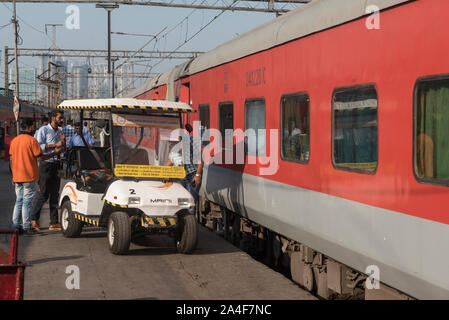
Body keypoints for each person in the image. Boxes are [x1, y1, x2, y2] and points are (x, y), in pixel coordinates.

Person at [9, 118, 62, 234]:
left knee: (19, 201)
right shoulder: (32, 141)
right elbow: (40, 157)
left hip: (17, 176)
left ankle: (16, 225)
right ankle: (27, 226)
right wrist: (55, 153)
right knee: (27, 202)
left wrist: (13, 175)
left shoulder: (15, 140)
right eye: (33, 126)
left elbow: (11, 160)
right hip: (29, 176)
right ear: (28, 127)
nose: (35, 128)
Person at [30, 110, 66, 231]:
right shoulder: (43, 130)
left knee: (55, 194)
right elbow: (38, 147)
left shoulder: (60, 132)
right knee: (43, 193)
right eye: (60, 118)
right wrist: (54, 145)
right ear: (53, 118)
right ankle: (33, 219)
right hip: (46, 165)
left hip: (57, 164)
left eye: (62, 118)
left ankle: (54, 222)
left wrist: (63, 142)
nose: (62, 120)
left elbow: (63, 149)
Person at [167, 124, 203, 214]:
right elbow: (171, 160)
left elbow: (200, 160)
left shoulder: (191, 141)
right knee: (180, 202)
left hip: (192, 175)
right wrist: (161, 172)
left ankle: (190, 222)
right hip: (179, 176)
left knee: (190, 202)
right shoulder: (173, 143)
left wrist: (197, 175)